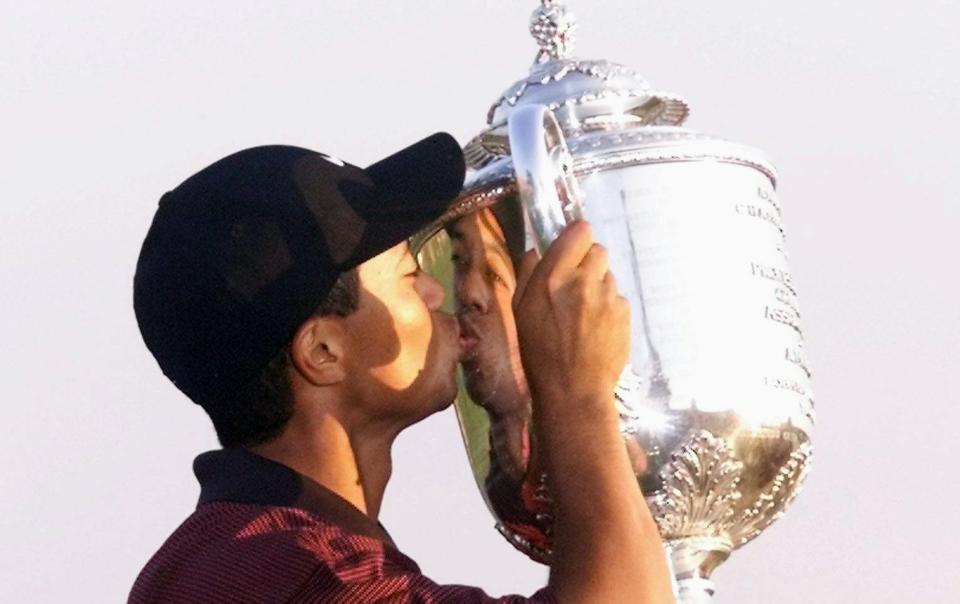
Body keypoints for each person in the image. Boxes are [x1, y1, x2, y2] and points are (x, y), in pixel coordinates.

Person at [129, 132, 675, 603]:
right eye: (410, 275)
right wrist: (578, 395)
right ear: (323, 353)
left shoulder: (233, 555)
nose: (439, 291)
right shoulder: (306, 573)